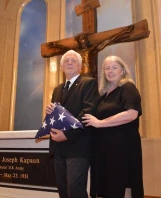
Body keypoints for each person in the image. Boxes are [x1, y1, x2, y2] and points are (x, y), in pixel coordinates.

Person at [82, 56, 144, 198]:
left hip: (122, 149)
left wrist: (100, 123)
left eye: (114, 67)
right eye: (107, 68)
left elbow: (131, 114)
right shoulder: (103, 95)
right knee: (106, 189)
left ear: (122, 71)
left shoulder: (128, 87)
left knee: (121, 186)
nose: (110, 71)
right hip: (104, 150)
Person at [45, 50, 99, 198]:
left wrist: (66, 134)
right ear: (62, 67)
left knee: (75, 189)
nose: (69, 63)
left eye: (73, 60)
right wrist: (49, 113)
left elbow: (88, 112)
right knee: (62, 188)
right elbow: (58, 116)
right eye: (66, 61)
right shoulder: (57, 89)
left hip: (78, 145)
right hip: (59, 148)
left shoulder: (88, 83)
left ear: (80, 67)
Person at [46, 24, 135, 78]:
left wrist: (123, 32)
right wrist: (55, 45)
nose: (83, 41)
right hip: (79, 78)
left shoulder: (91, 50)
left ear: (87, 41)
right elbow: (64, 49)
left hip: (90, 76)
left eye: (84, 39)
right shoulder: (76, 53)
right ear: (78, 41)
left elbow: (107, 40)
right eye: (81, 39)